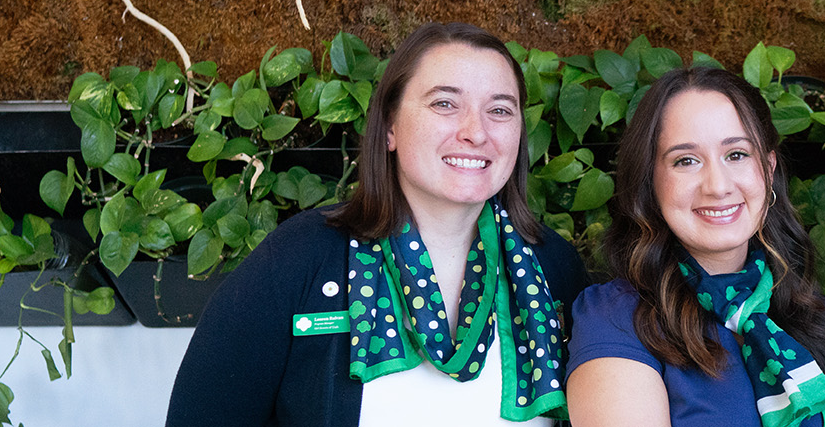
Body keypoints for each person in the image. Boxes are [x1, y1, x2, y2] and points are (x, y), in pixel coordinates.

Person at [166, 22, 588, 427]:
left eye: (499, 110)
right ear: (390, 126)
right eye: (445, 103)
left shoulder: (555, 268)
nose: (475, 132)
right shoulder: (299, 259)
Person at [565, 66, 825, 427]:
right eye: (686, 161)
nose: (718, 185)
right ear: (650, 181)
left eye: (737, 154)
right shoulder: (615, 319)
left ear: (768, 169)